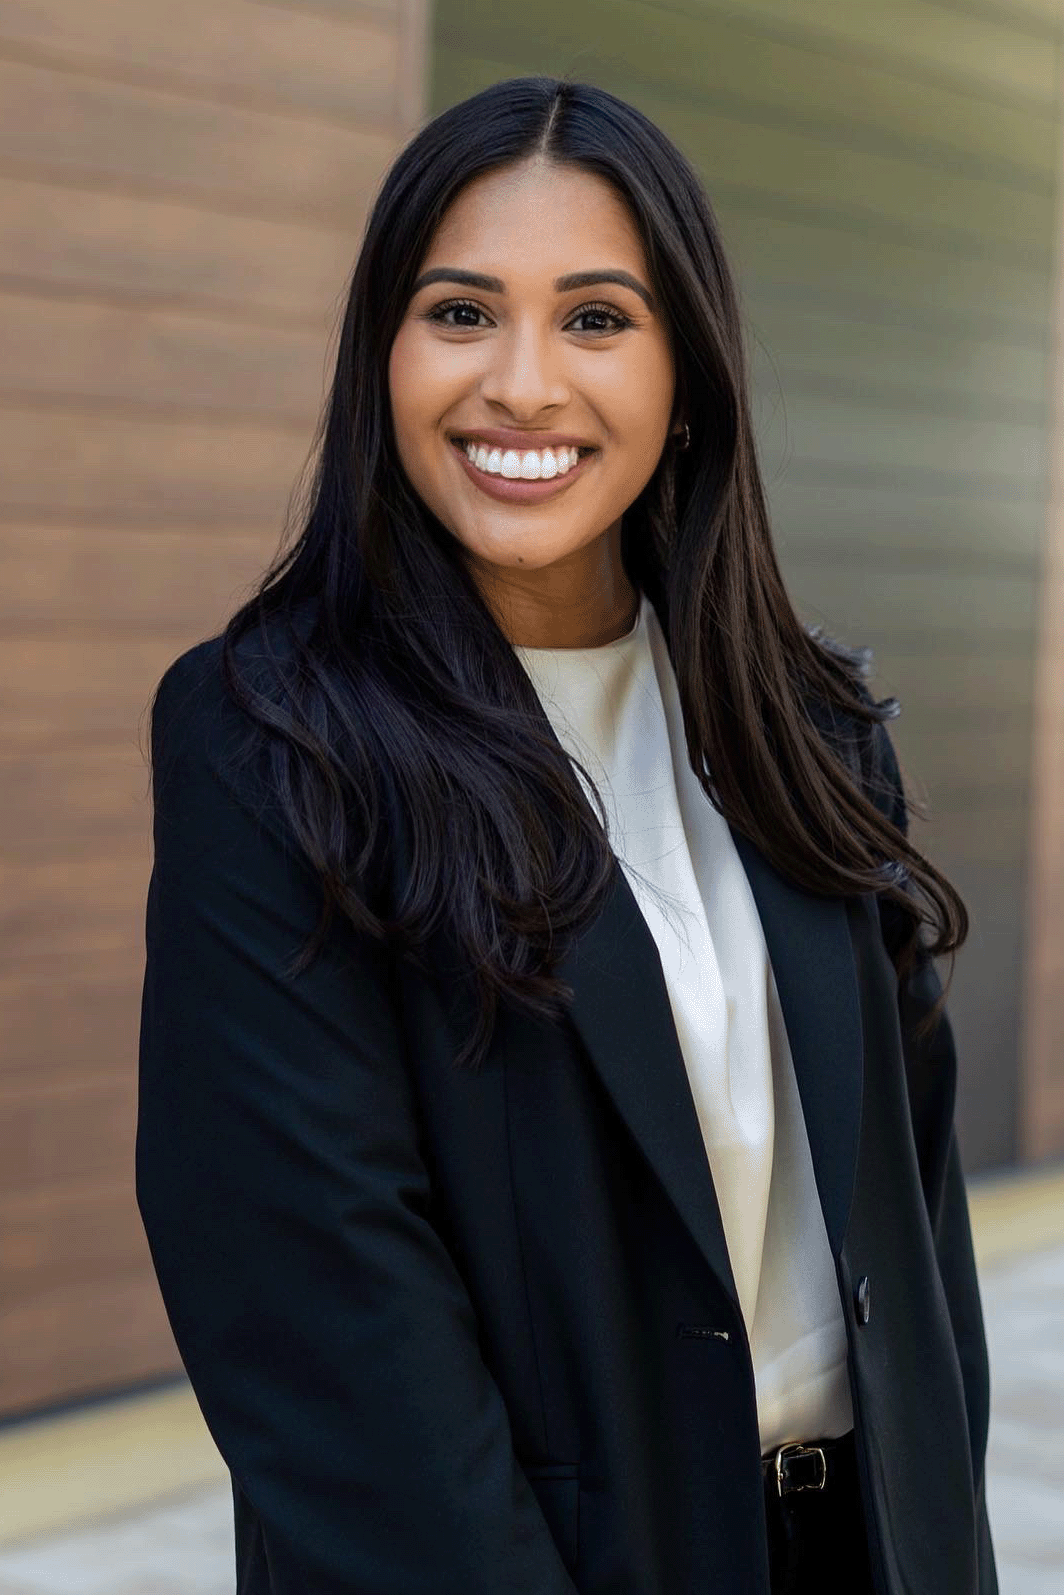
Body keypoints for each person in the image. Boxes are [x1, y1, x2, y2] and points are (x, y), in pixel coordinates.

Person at [136, 74, 997, 1595]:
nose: (522, 383)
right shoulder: (273, 744)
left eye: (597, 319)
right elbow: (321, 1319)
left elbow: (917, 1240)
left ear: (688, 375)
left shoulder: (812, 726)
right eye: (461, 313)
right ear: (382, 355)